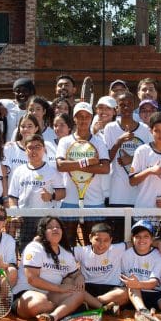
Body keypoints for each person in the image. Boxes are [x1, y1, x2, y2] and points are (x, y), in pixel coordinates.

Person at [54, 102, 111, 243]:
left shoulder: (99, 142)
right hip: (69, 201)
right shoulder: (65, 141)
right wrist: (87, 162)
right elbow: (61, 166)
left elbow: (105, 168)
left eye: (86, 116)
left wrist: (73, 165)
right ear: (74, 118)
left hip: (94, 201)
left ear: (91, 118)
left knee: (93, 246)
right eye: (80, 116)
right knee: (67, 246)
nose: (83, 120)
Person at [17, 215, 85, 321]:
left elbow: (76, 273)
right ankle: (67, 308)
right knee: (39, 303)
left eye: (58, 227)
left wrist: (79, 278)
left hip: (51, 294)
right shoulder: (35, 248)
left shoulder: (66, 253)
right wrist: (59, 288)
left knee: (79, 294)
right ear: (43, 232)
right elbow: (32, 279)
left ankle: (53, 316)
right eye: (50, 227)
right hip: (28, 292)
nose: (55, 229)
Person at [103, 91, 151, 235]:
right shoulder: (110, 128)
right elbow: (107, 159)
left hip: (139, 195)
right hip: (117, 194)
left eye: (129, 104)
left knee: (137, 237)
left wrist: (132, 159)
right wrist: (119, 141)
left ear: (134, 105)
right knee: (117, 237)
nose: (126, 107)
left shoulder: (145, 129)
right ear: (117, 108)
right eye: (122, 105)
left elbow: (150, 159)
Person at [6, 133, 65, 248]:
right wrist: (15, 213)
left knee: (45, 250)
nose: (34, 151)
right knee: (24, 250)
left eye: (38, 147)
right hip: (24, 219)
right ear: (26, 150)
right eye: (30, 147)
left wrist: (51, 196)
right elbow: (12, 197)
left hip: (45, 219)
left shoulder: (52, 171)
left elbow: (62, 193)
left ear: (44, 149)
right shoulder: (19, 171)